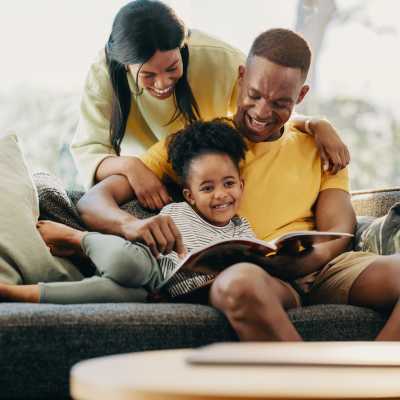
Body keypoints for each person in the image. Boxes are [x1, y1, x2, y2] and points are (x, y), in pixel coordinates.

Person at [75, 28, 400, 341]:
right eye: (254, 95)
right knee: (237, 285)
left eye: (279, 103)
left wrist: (306, 261)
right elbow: (93, 202)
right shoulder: (200, 144)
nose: (261, 111)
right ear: (241, 77)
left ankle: (376, 386)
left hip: (323, 269)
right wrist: (130, 225)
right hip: (258, 278)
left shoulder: (317, 145)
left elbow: (338, 227)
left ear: (300, 96)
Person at [71, 0, 349, 210]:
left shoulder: (220, 58)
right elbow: (90, 150)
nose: (162, 83)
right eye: (148, 75)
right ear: (125, 66)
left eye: (172, 68)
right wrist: (132, 168)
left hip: (207, 180)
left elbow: (262, 111)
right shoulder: (104, 74)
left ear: (183, 47)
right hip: (148, 178)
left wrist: (315, 124)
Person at [0, 120, 257, 303]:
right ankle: (76, 238)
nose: (221, 194)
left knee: (115, 294)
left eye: (229, 184)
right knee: (131, 264)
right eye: (207, 188)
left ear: (241, 185)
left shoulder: (242, 228)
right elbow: (152, 251)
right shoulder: (176, 213)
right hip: (150, 269)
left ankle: (20, 293)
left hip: (159, 293)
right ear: (190, 195)